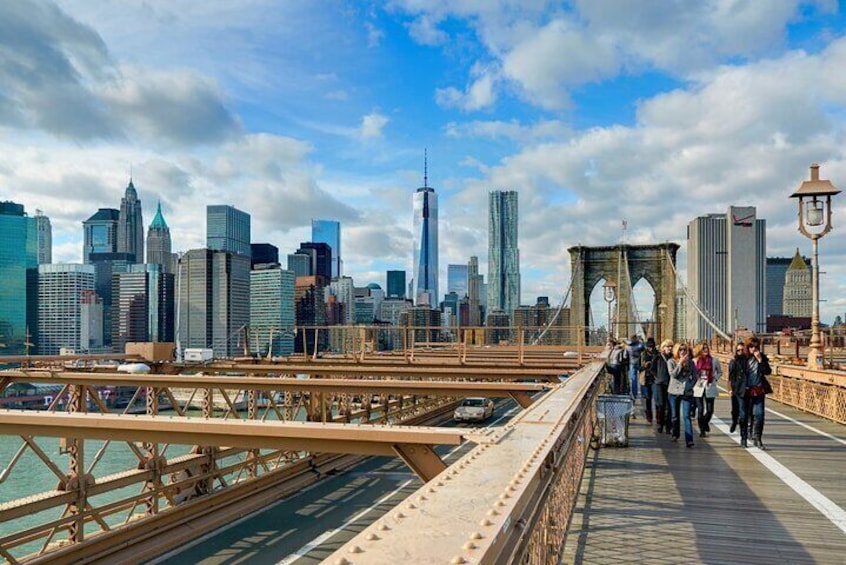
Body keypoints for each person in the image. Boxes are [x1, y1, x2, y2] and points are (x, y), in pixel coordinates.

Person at [739, 336, 772, 449]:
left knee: (759, 414)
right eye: (751, 346)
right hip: (745, 391)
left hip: (758, 390)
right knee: (745, 416)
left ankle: (757, 438)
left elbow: (767, 372)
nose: (753, 349)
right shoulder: (742, 359)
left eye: (756, 347)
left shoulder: (762, 357)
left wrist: (760, 360)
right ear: (747, 347)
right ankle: (745, 436)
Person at [667, 342, 697, 447]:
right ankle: (675, 434)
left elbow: (695, 376)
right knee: (675, 416)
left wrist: (690, 386)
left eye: (684, 350)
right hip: (674, 392)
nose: (682, 351)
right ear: (676, 351)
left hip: (686, 392)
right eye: (680, 349)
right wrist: (680, 363)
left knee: (686, 416)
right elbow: (673, 374)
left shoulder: (691, 363)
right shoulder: (671, 361)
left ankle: (689, 440)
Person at [692, 341, 722, 437]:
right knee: (700, 409)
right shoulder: (695, 361)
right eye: (703, 348)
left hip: (710, 386)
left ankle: (705, 423)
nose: (706, 350)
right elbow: (691, 373)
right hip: (698, 386)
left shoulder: (714, 361)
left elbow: (720, 372)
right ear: (699, 350)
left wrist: (715, 378)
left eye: (706, 348)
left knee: (710, 410)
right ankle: (702, 430)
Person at [652, 339, 673, 433]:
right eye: (668, 346)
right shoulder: (657, 357)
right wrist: (658, 377)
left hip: (670, 384)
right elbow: (652, 369)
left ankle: (668, 426)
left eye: (671, 346)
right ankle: (660, 424)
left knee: (669, 406)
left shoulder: (673, 358)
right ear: (663, 348)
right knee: (661, 404)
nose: (670, 348)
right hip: (660, 384)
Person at [727, 342, 747, 434]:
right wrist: (729, 389)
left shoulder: (748, 361)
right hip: (735, 389)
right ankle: (734, 422)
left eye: (742, 350)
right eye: (738, 350)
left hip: (744, 390)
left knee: (743, 413)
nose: (740, 352)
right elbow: (730, 377)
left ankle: (744, 435)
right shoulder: (733, 362)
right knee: (735, 410)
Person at [639, 337, 658, 423]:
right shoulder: (643, 355)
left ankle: (658, 417)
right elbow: (638, 367)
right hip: (646, 378)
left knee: (657, 398)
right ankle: (649, 416)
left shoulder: (657, 354)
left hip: (655, 378)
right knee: (648, 398)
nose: (650, 348)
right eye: (649, 346)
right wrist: (644, 366)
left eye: (652, 346)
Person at [626, 335, 645, 402]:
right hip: (639, 363)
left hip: (632, 363)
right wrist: (640, 341)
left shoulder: (628, 347)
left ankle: (634, 395)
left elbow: (626, 354)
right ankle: (643, 393)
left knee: (634, 380)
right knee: (642, 378)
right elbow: (643, 347)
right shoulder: (639, 346)